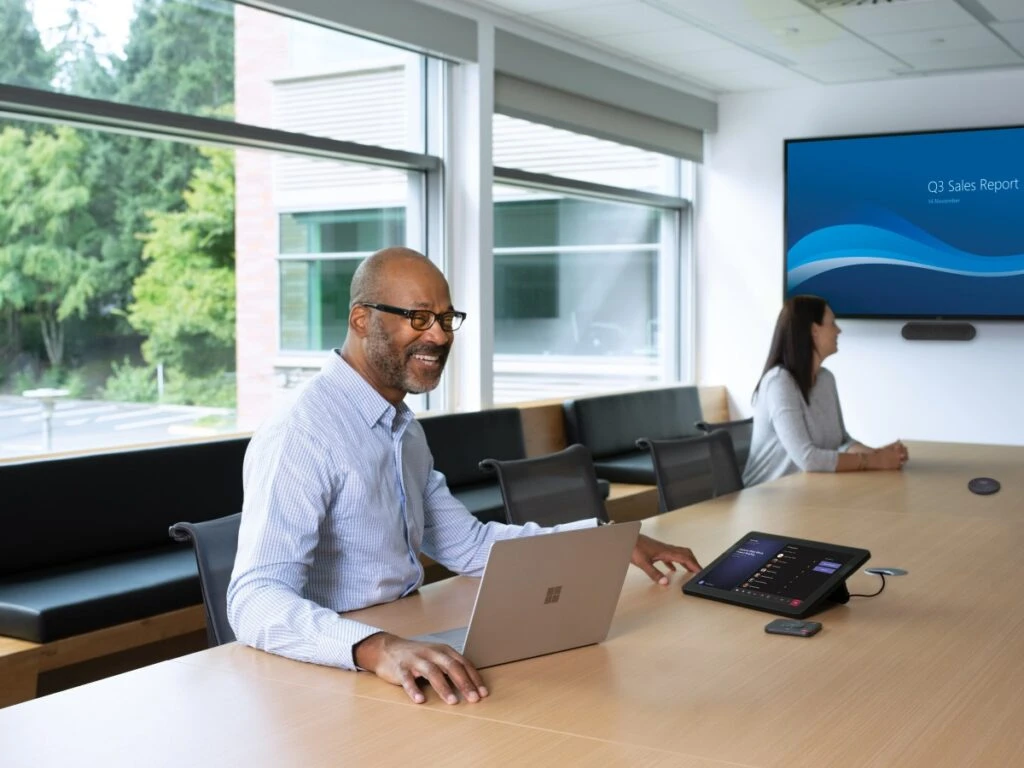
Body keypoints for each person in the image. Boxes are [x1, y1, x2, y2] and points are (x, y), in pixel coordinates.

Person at [227, 246, 702, 706]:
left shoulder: (402, 430)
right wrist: (378, 647)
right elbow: (253, 600)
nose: (439, 335)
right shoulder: (301, 432)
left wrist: (601, 541)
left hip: (402, 656)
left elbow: (468, 546)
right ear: (361, 320)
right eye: (418, 318)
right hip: (328, 679)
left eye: (445, 318)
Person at [742, 295, 908, 487]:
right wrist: (873, 462)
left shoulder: (826, 379)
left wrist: (880, 455)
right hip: (765, 500)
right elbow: (808, 459)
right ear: (814, 331)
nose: (839, 330)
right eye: (832, 323)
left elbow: (842, 443)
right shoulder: (779, 383)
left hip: (806, 492)